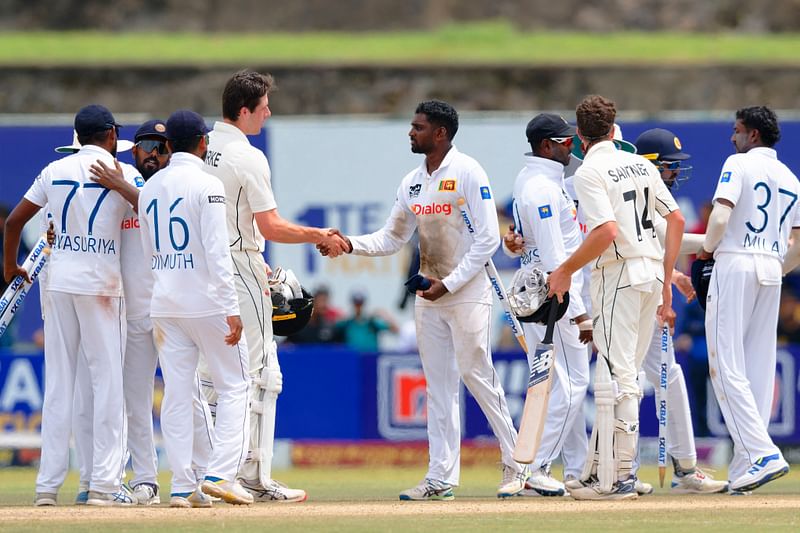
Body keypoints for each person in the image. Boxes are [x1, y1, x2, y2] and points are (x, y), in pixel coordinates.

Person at [319, 100, 528, 500]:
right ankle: (440, 477)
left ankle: (518, 464)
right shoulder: (413, 182)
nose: (410, 133)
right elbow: (392, 237)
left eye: (418, 127)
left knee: (476, 375)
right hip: (428, 295)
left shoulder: (467, 171)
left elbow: (486, 239)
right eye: (411, 126)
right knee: (438, 387)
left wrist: (448, 284)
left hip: (465, 294)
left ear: (440, 133)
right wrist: (348, 244)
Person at [200, 69, 347, 502]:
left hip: (204, 267)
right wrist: (320, 234)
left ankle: (204, 473)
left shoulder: (203, 148)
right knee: (263, 373)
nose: (268, 112)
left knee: (210, 376)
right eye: (263, 106)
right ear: (243, 111)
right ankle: (252, 478)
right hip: (239, 263)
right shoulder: (247, 156)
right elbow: (272, 226)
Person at [547, 95, 685, 500]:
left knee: (617, 378)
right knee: (625, 376)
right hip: (647, 273)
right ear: (613, 129)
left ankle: (620, 477)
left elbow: (605, 231)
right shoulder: (642, 164)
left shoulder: (590, 171)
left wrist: (565, 271)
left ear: (579, 136)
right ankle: (597, 472)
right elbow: (674, 220)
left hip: (617, 274)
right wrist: (664, 282)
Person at [3, 104, 136, 506]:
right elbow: (153, 214)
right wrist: (123, 186)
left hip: (58, 284)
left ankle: (46, 488)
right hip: (101, 286)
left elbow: (13, 222)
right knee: (107, 384)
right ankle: (103, 485)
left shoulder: (53, 171)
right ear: (111, 135)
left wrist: (10, 267)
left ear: (76, 138)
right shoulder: (124, 173)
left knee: (60, 385)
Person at [138, 109, 253, 507]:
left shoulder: (149, 188)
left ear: (167, 145)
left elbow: (150, 251)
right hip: (206, 301)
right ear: (203, 143)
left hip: (165, 302)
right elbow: (217, 252)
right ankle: (221, 473)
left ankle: (183, 485)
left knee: (177, 393)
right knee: (236, 385)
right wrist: (231, 307)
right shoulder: (208, 184)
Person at [698, 105, 800, 492]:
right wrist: (778, 267)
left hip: (736, 262)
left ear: (752, 135)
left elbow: (720, 218)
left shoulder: (738, 165)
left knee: (725, 364)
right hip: (772, 269)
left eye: (737, 130)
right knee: (758, 365)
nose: (732, 137)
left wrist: (707, 249)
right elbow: (799, 246)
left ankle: (761, 453)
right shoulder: (791, 177)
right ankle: (746, 465)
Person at [77, 119, 172, 505]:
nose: (154, 152)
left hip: (170, 307)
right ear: (132, 149)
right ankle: (146, 479)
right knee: (135, 399)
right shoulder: (121, 177)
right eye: (148, 144)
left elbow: (149, 206)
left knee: (188, 397)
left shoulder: (170, 187)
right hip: (132, 308)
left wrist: (119, 184)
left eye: (162, 147)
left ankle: (203, 476)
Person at [631, 128, 728, 494]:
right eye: (670, 167)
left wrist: (671, 274)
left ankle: (686, 468)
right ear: (651, 166)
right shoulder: (635, 192)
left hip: (647, 295)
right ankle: (613, 470)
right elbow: (654, 242)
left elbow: (660, 243)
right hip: (619, 299)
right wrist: (715, 241)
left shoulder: (653, 195)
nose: (675, 174)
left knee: (669, 376)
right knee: (618, 383)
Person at [502, 113, 592, 496]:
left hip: (538, 285)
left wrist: (517, 240)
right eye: (564, 142)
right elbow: (558, 261)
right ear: (546, 146)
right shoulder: (542, 187)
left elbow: (527, 237)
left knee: (555, 384)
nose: (571, 146)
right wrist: (580, 313)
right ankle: (535, 468)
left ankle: (578, 467)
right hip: (554, 293)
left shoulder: (533, 179)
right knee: (572, 385)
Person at [332, 290, 398, 353]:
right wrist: (340, 315)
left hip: (370, 359)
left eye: (360, 303)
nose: (358, 306)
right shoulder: (347, 322)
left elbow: (395, 329)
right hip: (352, 360)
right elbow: (331, 330)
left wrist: (384, 314)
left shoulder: (372, 322)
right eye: (356, 303)